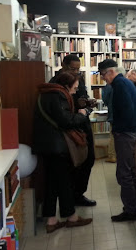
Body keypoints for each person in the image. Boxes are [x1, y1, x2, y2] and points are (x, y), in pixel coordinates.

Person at [33, 71, 93, 233]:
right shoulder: (58, 96)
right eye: (74, 88)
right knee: (65, 181)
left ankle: (51, 219)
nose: (75, 91)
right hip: (57, 146)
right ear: (66, 85)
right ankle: (70, 216)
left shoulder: (46, 94)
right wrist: (82, 114)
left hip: (47, 145)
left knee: (52, 182)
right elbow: (66, 121)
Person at [98, 59, 136, 221]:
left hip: (124, 133)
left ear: (111, 71)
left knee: (124, 173)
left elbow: (125, 110)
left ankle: (130, 210)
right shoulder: (126, 83)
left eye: (104, 75)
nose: (103, 78)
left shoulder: (119, 85)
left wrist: (117, 130)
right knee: (130, 170)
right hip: (130, 131)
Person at [50, 54, 97, 207]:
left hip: (82, 123)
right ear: (63, 65)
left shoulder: (79, 79)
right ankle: (71, 197)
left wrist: (87, 103)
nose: (76, 72)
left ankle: (78, 193)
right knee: (74, 162)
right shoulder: (56, 82)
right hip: (69, 127)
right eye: (72, 68)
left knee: (88, 159)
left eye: (78, 69)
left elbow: (82, 97)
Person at [102, 67, 127, 163]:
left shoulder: (109, 86)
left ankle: (112, 155)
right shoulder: (117, 85)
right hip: (116, 113)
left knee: (113, 134)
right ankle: (113, 155)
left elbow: (105, 99)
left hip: (113, 112)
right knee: (114, 135)